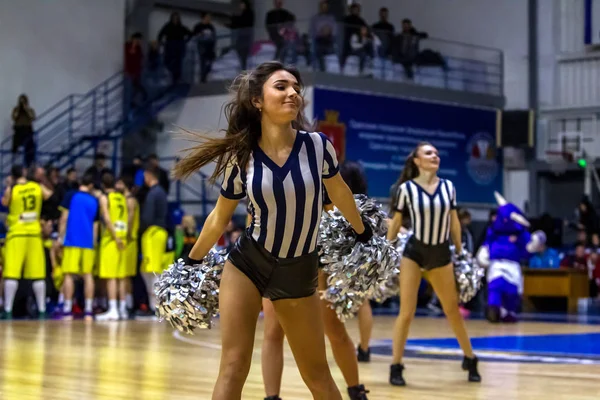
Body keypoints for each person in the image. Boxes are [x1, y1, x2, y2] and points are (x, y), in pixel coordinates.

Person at [172, 61, 372, 399]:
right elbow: (219, 217)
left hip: (299, 271)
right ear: (257, 101)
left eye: (296, 87)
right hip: (248, 265)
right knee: (234, 366)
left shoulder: (317, 146)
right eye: (281, 86)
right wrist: (190, 264)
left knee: (318, 375)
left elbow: (339, 191)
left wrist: (364, 234)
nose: (293, 92)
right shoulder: (242, 155)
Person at [385, 142, 481, 386]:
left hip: (441, 256)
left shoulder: (448, 187)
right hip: (414, 253)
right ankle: (396, 365)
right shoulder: (406, 189)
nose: (435, 156)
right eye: (429, 153)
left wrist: (460, 253)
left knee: (452, 312)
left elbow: (454, 223)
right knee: (406, 312)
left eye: (437, 153)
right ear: (417, 161)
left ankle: (470, 358)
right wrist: (385, 248)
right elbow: (396, 222)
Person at [261, 193, 370, 400]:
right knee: (273, 331)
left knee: (334, 329)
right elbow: (254, 225)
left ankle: (355, 390)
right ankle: (271, 397)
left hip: (312, 264)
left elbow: (333, 220)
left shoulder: (314, 172)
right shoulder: (260, 178)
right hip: (271, 263)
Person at [1, 165, 53, 319]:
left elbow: (4, 203)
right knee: (38, 274)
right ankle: (42, 310)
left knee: (11, 274)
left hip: (17, 233)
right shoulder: (36, 187)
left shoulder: (13, 189)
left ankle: (8, 310)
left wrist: (9, 186)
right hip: (34, 234)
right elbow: (50, 195)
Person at [57, 173, 100, 320]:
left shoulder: (71, 195)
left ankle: (68, 308)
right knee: (88, 276)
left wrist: (59, 237)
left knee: (69, 274)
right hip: (88, 243)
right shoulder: (95, 200)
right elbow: (95, 226)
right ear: (91, 186)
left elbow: (64, 218)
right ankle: (88, 309)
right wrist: (93, 244)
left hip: (72, 240)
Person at [95, 173, 127, 321]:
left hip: (112, 239)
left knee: (111, 278)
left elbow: (107, 218)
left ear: (102, 184)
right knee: (121, 277)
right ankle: (122, 309)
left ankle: (113, 309)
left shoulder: (104, 197)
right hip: (124, 237)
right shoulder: (121, 197)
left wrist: (114, 237)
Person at [138, 165, 168, 317]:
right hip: (159, 232)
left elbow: (147, 217)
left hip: (153, 233)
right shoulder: (161, 192)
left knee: (153, 272)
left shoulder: (153, 193)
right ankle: (154, 306)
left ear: (150, 176)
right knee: (147, 271)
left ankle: (157, 308)